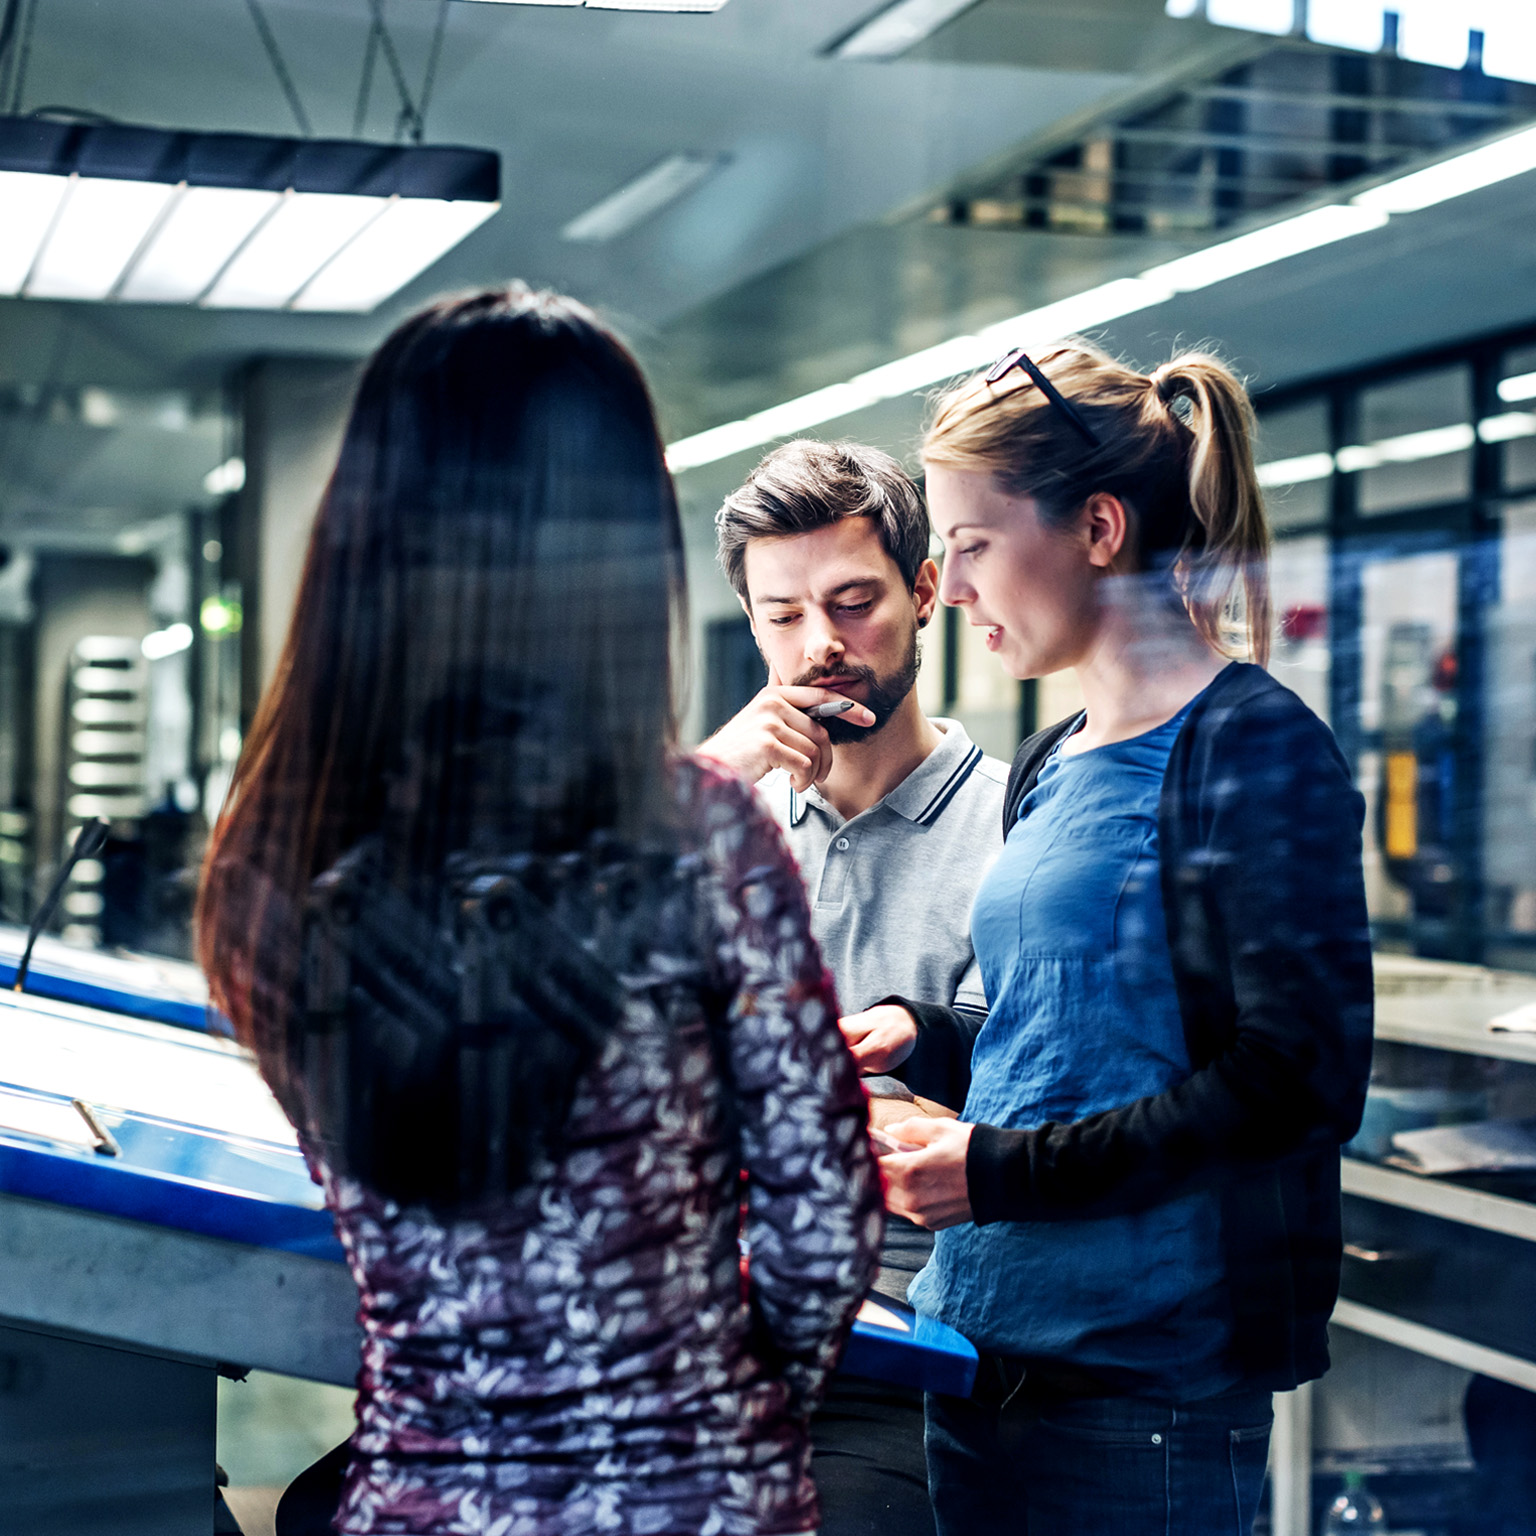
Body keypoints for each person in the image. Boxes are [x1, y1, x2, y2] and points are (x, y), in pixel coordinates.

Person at [197, 286, 882, 1536]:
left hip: (427, 1492)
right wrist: (711, 1410)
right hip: (690, 1500)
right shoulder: (703, 837)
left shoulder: (272, 861)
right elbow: (823, 1221)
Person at [862, 342, 1375, 1536]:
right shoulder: (1055, 754)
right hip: (985, 1348)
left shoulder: (1251, 747)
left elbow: (1294, 1081)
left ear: (1098, 528)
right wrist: (927, 1038)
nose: (951, 584)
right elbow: (1081, 1025)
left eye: (975, 544)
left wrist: (994, 1171)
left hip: (1144, 1389)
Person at [702, 439, 1008, 1536]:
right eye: (782, 614)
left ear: (926, 592)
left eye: (853, 602)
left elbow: (981, 1104)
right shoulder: (715, 819)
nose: (819, 645)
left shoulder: (1019, 834)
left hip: (889, 1350)